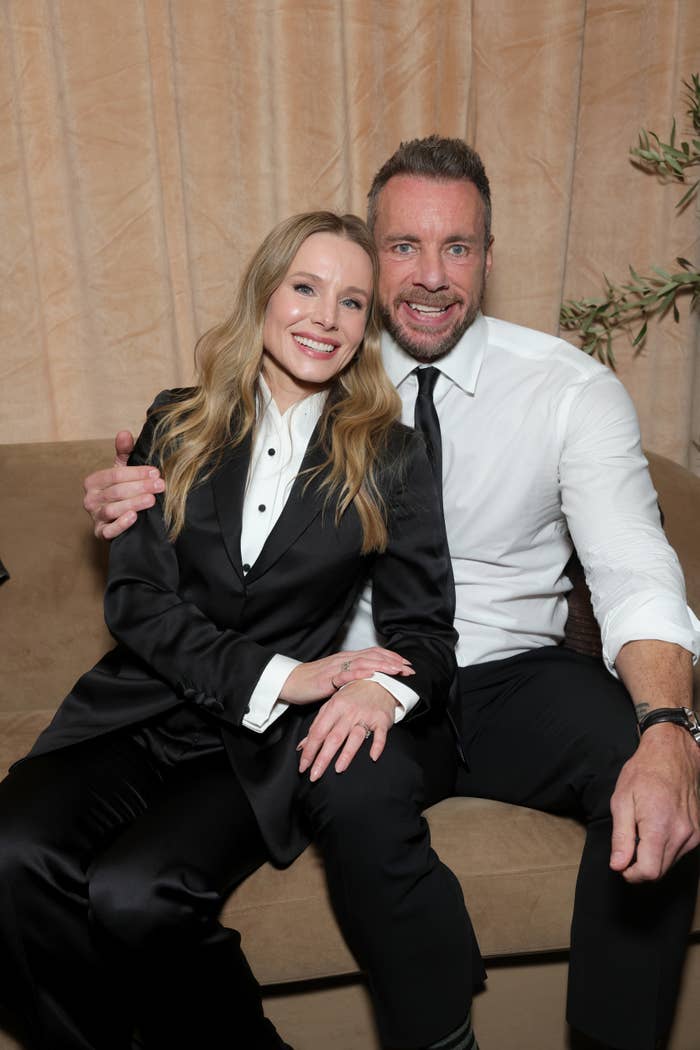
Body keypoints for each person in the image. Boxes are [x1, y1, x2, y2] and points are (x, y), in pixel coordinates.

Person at [87, 137, 700, 1050]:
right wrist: (136, 488)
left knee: (647, 769)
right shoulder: (310, 358)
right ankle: (440, 1033)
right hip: (364, 674)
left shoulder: (569, 390)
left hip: (514, 672)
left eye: (458, 247)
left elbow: (633, 568)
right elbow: (199, 464)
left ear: (488, 259)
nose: (431, 276)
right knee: (348, 785)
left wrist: (669, 728)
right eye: (404, 246)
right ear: (371, 256)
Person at [0, 210, 480, 1050]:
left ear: (367, 326)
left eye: (351, 302)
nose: (325, 318)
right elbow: (137, 601)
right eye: (305, 288)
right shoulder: (177, 419)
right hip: (136, 711)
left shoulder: (392, 455)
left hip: (252, 753)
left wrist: (376, 687)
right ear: (263, 295)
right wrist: (284, 674)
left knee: (136, 893)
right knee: (9, 852)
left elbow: (429, 636)